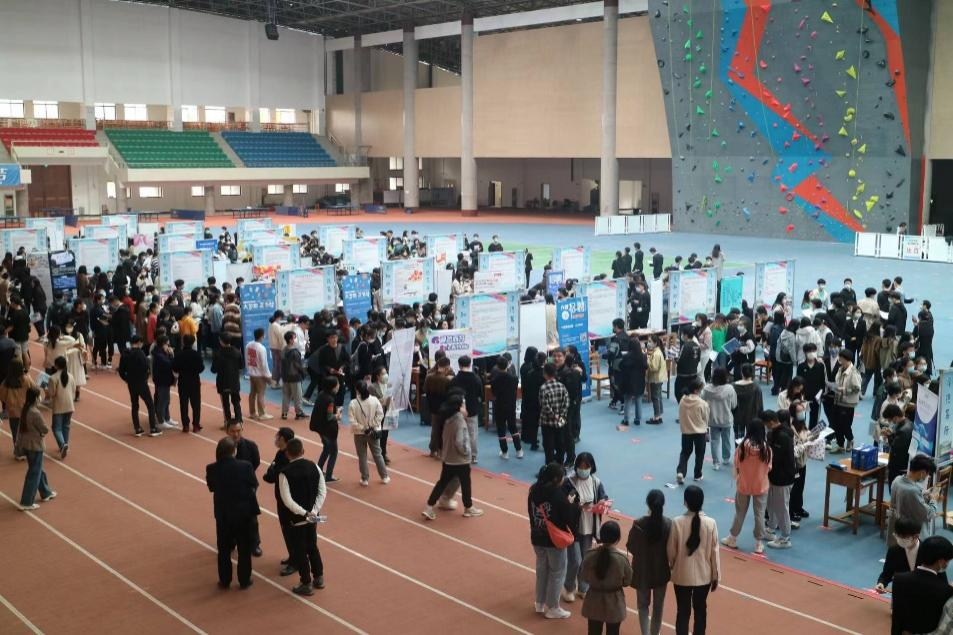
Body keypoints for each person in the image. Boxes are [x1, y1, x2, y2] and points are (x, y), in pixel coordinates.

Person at [205, 436, 259, 589]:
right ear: (234, 451)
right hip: (243, 514)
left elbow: (211, 487)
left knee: (223, 549)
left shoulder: (211, 468)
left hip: (223, 514)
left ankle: (225, 580)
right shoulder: (246, 466)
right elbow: (253, 484)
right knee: (244, 549)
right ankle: (244, 580)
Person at [421, 393, 483, 520]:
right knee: (466, 484)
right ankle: (468, 508)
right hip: (460, 460)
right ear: (459, 407)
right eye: (464, 405)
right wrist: (467, 452)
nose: (465, 407)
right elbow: (461, 441)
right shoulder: (460, 422)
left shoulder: (447, 419)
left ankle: (429, 506)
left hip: (448, 459)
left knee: (441, 483)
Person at [278, 438, 327, 596]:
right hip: (313, 517)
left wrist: (304, 513)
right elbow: (322, 491)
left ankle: (306, 582)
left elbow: (287, 500)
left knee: (300, 550)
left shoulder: (284, 473)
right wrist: (314, 511)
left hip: (296, 519)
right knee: (312, 545)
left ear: (287, 454)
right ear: (303, 451)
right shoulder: (315, 467)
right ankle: (319, 577)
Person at [668, 485, 720, 635]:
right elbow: (714, 553)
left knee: (682, 612)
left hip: (682, 575)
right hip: (704, 577)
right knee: (700, 611)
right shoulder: (711, 523)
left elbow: (671, 551)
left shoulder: (677, 522)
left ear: (685, 502)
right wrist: (715, 576)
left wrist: (673, 566)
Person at [529, 462, 576, 619]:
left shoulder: (533, 490)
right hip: (554, 540)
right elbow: (568, 518)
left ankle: (539, 602)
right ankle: (553, 607)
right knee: (557, 572)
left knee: (542, 570)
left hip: (537, 536)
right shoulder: (558, 495)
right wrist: (571, 505)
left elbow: (530, 513)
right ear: (556, 479)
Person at [563, 453, 609, 603]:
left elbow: (604, 497)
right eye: (581, 466)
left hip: (589, 527)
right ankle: (569, 588)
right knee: (575, 560)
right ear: (576, 466)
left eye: (586, 466)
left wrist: (602, 503)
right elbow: (564, 502)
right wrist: (579, 506)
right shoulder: (569, 482)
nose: (583, 469)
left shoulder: (596, 482)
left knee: (586, 559)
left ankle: (583, 587)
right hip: (573, 528)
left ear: (592, 467)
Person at [721, 421, 772, 554]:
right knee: (759, 514)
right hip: (760, 486)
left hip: (743, 484)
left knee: (740, 512)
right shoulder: (766, 449)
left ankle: (732, 538)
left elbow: (736, 464)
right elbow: (769, 468)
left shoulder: (742, 447)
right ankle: (759, 543)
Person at [627, 490, 671, 635]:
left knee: (642, 606)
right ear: (663, 504)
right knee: (658, 607)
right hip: (661, 572)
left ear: (648, 504)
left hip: (642, 571)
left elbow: (631, 546)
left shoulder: (638, 524)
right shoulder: (668, 524)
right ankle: (655, 633)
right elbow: (671, 550)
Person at [891, 536, 953, 635]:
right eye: (947, 561)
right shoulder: (946, 590)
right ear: (941, 561)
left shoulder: (899, 579)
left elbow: (897, 617)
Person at [580, 521, 632, 635]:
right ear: (618, 538)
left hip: (593, 600)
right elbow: (627, 581)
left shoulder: (590, 555)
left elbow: (584, 577)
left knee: (593, 632)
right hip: (614, 602)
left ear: (601, 535)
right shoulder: (622, 559)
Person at [16, 387, 55, 511]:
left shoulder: (25, 410)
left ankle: (46, 492)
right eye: (39, 396)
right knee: (34, 473)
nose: (40, 398)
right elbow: (45, 429)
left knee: (38, 469)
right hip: (35, 446)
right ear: (35, 398)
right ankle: (26, 502)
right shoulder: (35, 413)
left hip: (26, 445)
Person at [888, 454, 938, 545]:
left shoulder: (897, 480)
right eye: (927, 474)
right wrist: (934, 499)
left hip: (896, 529)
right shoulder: (912, 491)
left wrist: (923, 493)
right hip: (910, 535)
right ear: (923, 472)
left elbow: (906, 498)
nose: (927, 477)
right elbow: (928, 514)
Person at [764, 410, 795, 549]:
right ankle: (771, 529)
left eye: (766, 425)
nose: (766, 428)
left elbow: (775, 457)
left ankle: (785, 537)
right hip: (774, 476)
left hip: (783, 478)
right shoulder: (775, 433)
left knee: (781, 507)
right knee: (771, 504)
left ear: (771, 422)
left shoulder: (783, 436)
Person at [348, 380, 389, 486]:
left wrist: (363, 428)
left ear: (357, 390)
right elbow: (380, 415)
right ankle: (384, 476)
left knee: (362, 456)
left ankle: (365, 479)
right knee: (378, 455)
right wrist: (372, 425)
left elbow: (352, 421)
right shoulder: (375, 400)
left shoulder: (353, 403)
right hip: (373, 432)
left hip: (359, 433)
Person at [117, 335, 160, 437]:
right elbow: (146, 368)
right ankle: (153, 428)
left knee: (135, 405)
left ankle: (137, 429)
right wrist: (145, 377)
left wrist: (127, 379)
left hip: (131, 383)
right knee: (150, 405)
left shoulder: (125, 354)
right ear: (139, 342)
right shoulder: (140, 354)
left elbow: (121, 371)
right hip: (141, 383)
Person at [450, 355, 484, 463]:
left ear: (459, 365)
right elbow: (480, 394)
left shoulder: (454, 380)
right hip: (472, 409)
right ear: (470, 365)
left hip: (458, 409)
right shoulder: (476, 379)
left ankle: (459, 454)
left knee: (458, 432)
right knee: (472, 433)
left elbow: (451, 395)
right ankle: (473, 456)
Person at [701, 368, 737, 469]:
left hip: (713, 419)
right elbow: (734, 404)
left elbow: (702, 401)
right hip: (726, 419)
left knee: (714, 440)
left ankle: (716, 462)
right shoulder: (730, 389)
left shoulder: (707, 389)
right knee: (726, 439)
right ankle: (726, 458)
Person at [676, 378, 709, 484]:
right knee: (700, 454)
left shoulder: (683, 399)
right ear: (696, 390)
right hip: (700, 432)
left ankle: (681, 472)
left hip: (686, 430)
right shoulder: (702, 403)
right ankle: (697, 474)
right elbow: (706, 418)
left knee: (685, 452)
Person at [876, 518, 922, 593]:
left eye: (904, 537)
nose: (900, 540)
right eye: (898, 536)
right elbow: (887, 574)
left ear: (916, 536)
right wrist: (881, 583)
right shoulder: (894, 550)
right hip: (901, 592)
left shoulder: (927, 551)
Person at [490, 356, 522, 458]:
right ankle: (519, 450)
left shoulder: (494, 380)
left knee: (501, 429)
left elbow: (494, 393)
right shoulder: (514, 378)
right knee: (513, 427)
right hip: (511, 405)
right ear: (508, 364)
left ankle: (505, 452)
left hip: (499, 406)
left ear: (497, 366)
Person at [830, 348, 862, 452]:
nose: (839, 359)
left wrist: (843, 390)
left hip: (848, 403)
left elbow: (857, 388)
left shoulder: (854, 372)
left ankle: (850, 439)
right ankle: (840, 445)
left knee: (845, 425)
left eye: (841, 358)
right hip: (837, 400)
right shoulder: (840, 369)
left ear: (846, 359)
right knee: (835, 424)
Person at [539, 362, 570, 466]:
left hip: (547, 422)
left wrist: (553, 415)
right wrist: (560, 415)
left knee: (548, 446)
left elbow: (544, 405)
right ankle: (560, 466)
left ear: (545, 374)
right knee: (560, 443)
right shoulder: (562, 386)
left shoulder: (543, 388)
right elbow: (566, 402)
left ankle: (550, 467)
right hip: (561, 420)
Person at [311, 377, 342, 483]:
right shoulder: (330, 400)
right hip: (328, 430)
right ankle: (329, 476)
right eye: (337, 384)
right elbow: (329, 417)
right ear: (333, 387)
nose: (339, 386)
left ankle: (318, 469)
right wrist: (337, 415)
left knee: (326, 449)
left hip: (319, 427)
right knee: (334, 452)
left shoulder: (321, 394)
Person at [172, 334, 205, 433]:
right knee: (196, 404)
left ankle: (185, 425)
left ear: (183, 342)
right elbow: (201, 368)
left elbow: (174, 368)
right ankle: (196, 425)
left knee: (183, 403)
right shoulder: (196, 354)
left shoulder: (178, 354)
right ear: (193, 342)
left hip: (183, 381)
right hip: (194, 381)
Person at [46, 356, 75, 459]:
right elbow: (73, 390)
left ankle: (62, 445)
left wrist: (46, 388)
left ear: (56, 366)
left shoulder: (53, 378)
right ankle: (65, 444)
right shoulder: (70, 376)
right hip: (70, 405)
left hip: (59, 406)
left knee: (56, 428)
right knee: (66, 426)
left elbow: (51, 393)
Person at [211, 334, 243, 426]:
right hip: (234, 381)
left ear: (221, 341)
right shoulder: (237, 352)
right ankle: (239, 421)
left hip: (223, 382)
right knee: (236, 402)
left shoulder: (218, 353)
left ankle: (228, 422)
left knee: (225, 403)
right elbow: (241, 366)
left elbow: (213, 370)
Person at [619, 335, 647, 427]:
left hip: (629, 382)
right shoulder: (643, 356)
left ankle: (626, 420)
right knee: (638, 399)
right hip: (640, 381)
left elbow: (620, 366)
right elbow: (646, 366)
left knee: (627, 400)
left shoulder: (626, 356)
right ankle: (638, 419)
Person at [520, 349, 545, 450]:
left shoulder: (523, 366)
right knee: (533, 419)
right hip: (534, 397)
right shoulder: (534, 370)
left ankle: (525, 436)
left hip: (526, 394)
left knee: (526, 417)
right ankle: (530, 438)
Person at [245, 327, 272, 420]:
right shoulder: (261, 348)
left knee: (252, 393)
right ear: (262, 336)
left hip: (251, 373)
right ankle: (262, 413)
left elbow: (247, 359)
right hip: (259, 374)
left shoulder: (248, 345)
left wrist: (249, 370)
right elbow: (264, 364)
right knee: (261, 393)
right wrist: (268, 376)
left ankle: (252, 412)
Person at [731, 363, 763, 439]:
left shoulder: (733, 386)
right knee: (751, 441)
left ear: (741, 372)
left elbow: (730, 403)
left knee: (738, 440)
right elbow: (760, 404)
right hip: (752, 417)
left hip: (737, 417)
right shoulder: (756, 387)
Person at [280, 330, 307, 420]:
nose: (295, 339)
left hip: (285, 376)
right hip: (295, 377)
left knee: (286, 395)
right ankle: (299, 413)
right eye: (294, 338)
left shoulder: (283, 350)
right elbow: (298, 365)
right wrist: (303, 373)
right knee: (298, 396)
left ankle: (284, 413)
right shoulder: (295, 352)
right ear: (291, 340)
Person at [151, 334, 176, 429]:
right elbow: (169, 364)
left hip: (164, 380)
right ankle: (161, 420)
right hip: (162, 381)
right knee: (162, 400)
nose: (168, 346)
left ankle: (167, 418)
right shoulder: (159, 355)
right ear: (163, 344)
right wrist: (171, 355)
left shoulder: (160, 352)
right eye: (167, 344)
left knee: (166, 400)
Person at [674, 327, 700, 402]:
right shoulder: (697, 345)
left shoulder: (685, 346)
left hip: (683, 376)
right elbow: (698, 360)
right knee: (691, 395)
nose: (681, 336)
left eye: (682, 334)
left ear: (686, 335)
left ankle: (684, 408)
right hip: (694, 374)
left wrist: (675, 358)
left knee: (679, 394)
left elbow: (680, 360)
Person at [645, 336, 667, 424]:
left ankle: (657, 417)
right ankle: (659, 415)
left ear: (655, 343)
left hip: (656, 379)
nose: (648, 343)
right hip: (658, 378)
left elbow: (654, 368)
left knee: (655, 397)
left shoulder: (656, 354)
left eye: (650, 341)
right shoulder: (657, 351)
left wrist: (647, 360)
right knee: (658, 396)